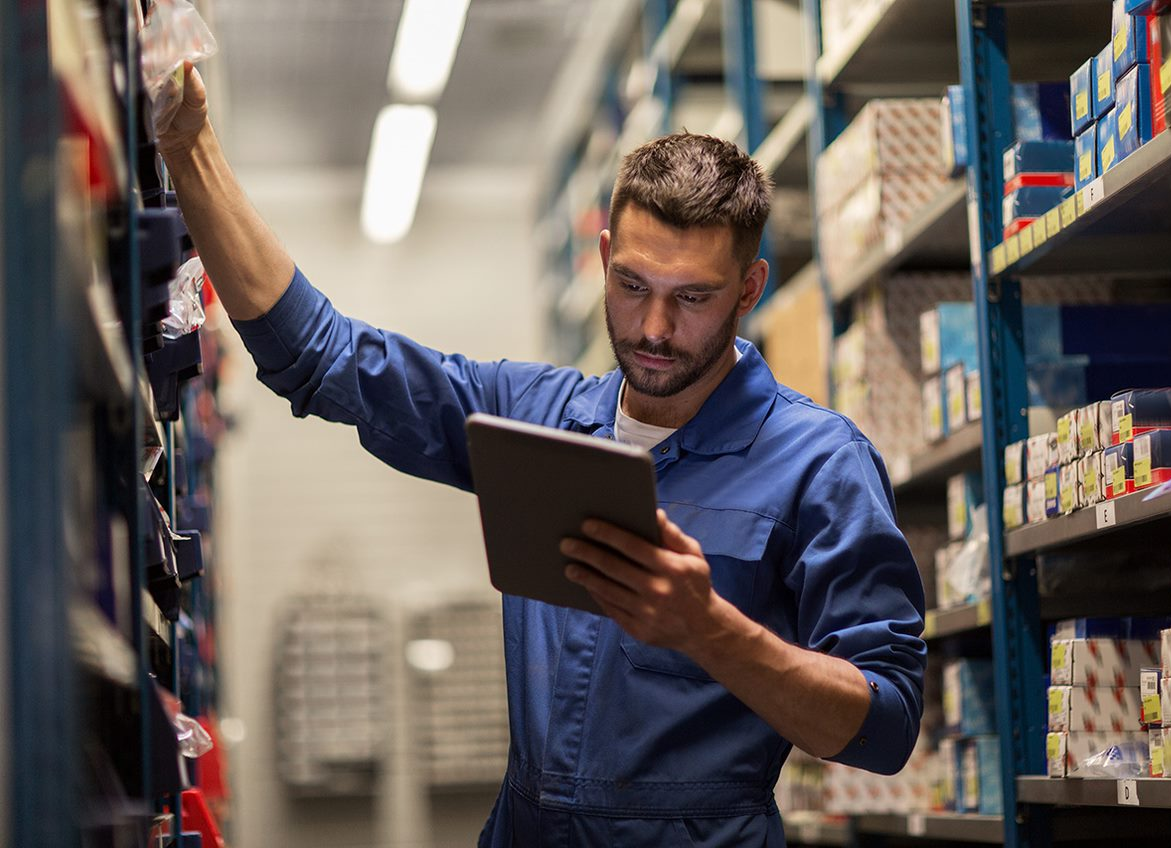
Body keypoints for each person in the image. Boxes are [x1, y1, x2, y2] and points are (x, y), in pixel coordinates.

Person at [158, 64, 925, 847]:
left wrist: (711, 631)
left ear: (749, 288)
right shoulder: (533, 417)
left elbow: (886, 725)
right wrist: (190, 151)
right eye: (631, 285)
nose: (654, 327)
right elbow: (324, 357)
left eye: (692, 297)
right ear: (602, 256)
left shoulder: (820, 463)